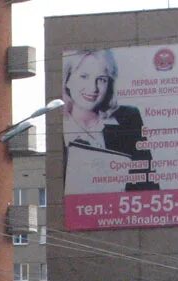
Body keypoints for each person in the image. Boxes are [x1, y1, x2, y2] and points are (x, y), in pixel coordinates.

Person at [62, 49, 157, 191]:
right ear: (67, 80)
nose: (92, 88)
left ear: (109, 83)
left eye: (101, 79)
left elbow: (148, 185)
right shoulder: (58, 128)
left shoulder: (128, 118)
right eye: (84, 76)